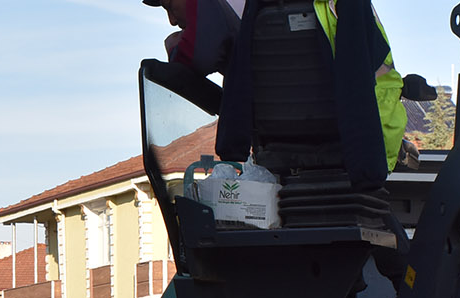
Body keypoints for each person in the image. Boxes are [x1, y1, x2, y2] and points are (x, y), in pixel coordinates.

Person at [146, 0, 406, 188]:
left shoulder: (232, 6)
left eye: (169, 4)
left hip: (286, 150)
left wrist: (173, 51)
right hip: (368, 143)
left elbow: (198, 55)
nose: (171, 19)